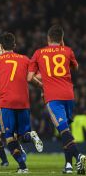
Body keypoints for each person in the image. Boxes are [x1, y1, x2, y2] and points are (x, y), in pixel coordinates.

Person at [28, 25, 86, 174]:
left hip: (53, 97)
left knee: (64, 130)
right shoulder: (68, 50)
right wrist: (63, 46)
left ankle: (79, 156)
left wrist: (41, 86)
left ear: (48, 38)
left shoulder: (39, 53)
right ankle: (68, 165)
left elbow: (29, 78)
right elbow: (76, 67)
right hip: (69, 95)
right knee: (64, 130)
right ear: (61, 39)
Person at [0, 33, 43, 173]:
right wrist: (42, 86)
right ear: (14, 45)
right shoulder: (25, 59)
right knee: (21, 136)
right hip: (23, 101)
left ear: (1, 46)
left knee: (9, 137)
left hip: (7, 102)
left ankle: (23, 167)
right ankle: (30, 135)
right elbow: (32, 77)